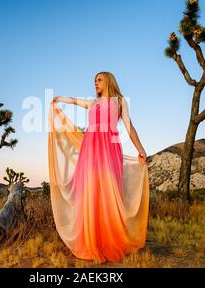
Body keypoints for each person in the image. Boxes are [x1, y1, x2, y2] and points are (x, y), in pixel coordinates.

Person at [48, 71, 150, 264]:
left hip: (109, 146)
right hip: (90, 148)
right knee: (91, 192)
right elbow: (74, 101)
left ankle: (111, 240)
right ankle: (92, 241)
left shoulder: (119, 102)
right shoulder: (92, 103)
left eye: (99, 79)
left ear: (108, 81)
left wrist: (141, 148)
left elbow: (129, 126)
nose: (95, 83)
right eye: (94, 80)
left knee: (109, 192)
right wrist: (59, 98)